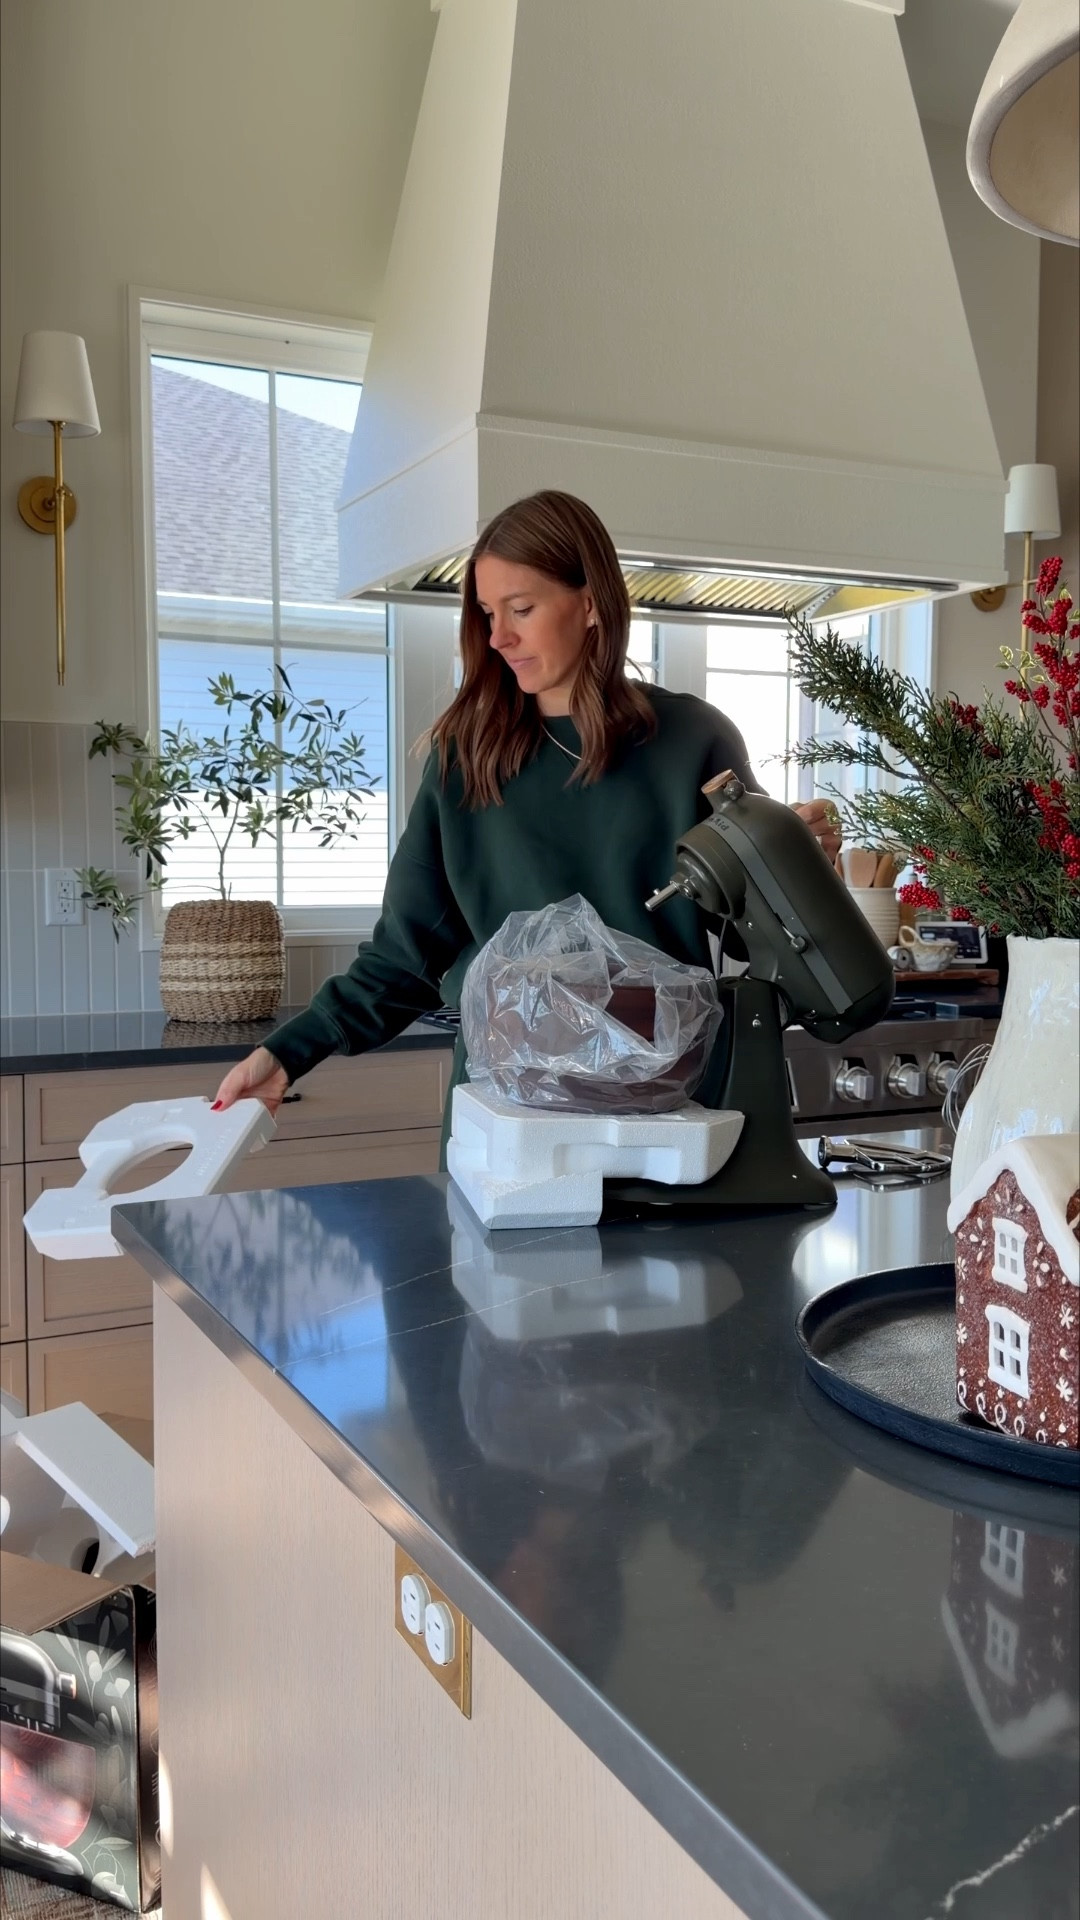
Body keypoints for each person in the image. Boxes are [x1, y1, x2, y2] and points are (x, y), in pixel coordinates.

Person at [214, 490, 840, 1143]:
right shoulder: (466, 758)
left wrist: (797, 866)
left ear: (592, 602)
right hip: (508, 1122)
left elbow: (749, 938)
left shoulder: (694, 741)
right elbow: (404, 958)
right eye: (487, 613)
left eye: (521, 609)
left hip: (664, 1117)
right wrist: (287, 1054)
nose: (497, 636)